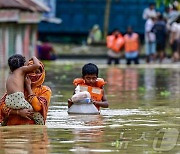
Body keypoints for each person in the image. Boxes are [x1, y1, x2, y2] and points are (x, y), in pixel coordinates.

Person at [0, 59, 52, 126]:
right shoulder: (17, 88)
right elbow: (2, 107)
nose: (34, 75)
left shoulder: (45, 90)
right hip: (12, 126)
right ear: (25, 72)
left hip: (32, 131)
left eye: (37, 72)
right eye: (31, 72)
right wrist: (18, 112)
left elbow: (37, 107)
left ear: (42, 74)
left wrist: (28, 87)